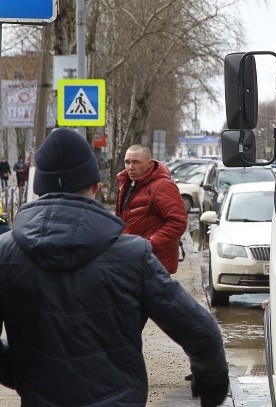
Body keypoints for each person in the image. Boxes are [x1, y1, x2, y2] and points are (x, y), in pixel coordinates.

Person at [0, 128, 229, 406]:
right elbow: (201, 332)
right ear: (95, 187)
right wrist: (212, 382)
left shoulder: (5, 252)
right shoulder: (132, 256)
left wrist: (21, 372)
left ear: (39, 188)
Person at [116, 144, 187, 275]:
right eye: (127, 162)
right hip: (132, 259)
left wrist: (148, 244)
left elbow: (178, 222)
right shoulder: (127, 183)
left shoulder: (163, 186)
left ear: (149, 164)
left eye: (136, 162)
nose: (130, 167)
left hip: (153, 264)